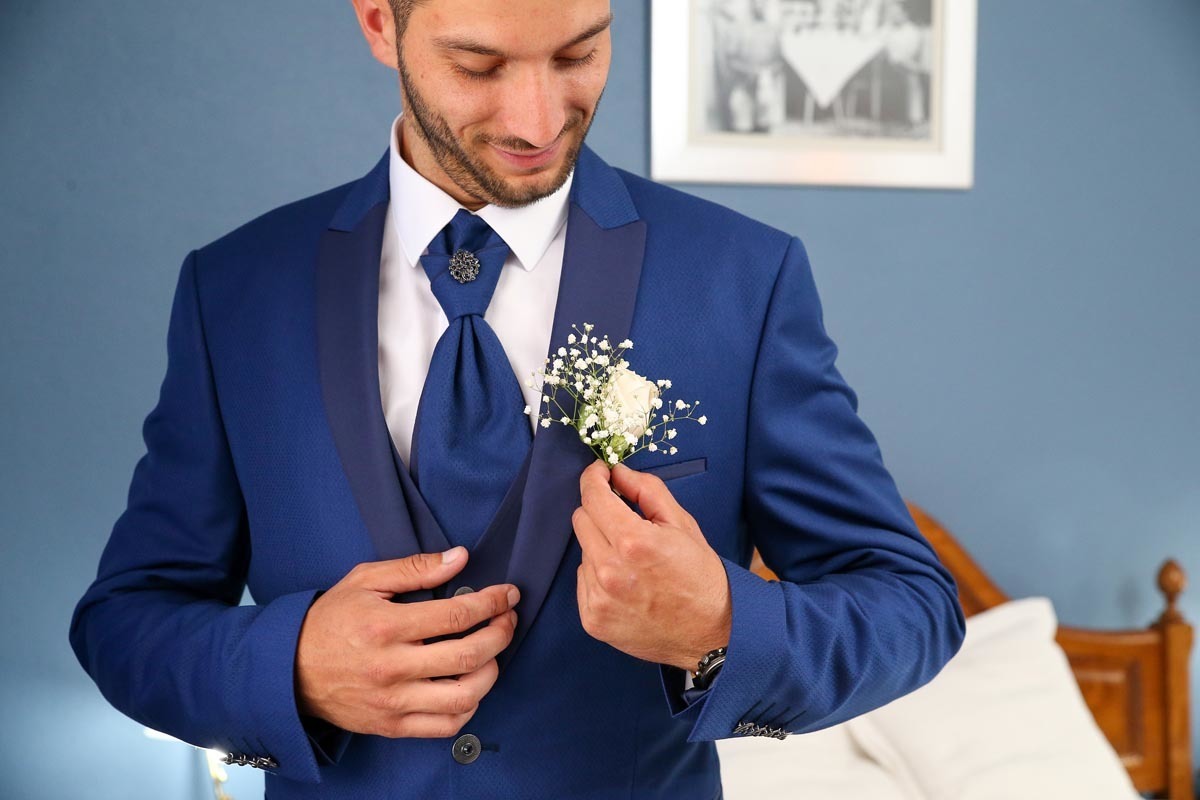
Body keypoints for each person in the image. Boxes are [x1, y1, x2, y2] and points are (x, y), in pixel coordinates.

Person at [69, 1, 964, 797]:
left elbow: (913, 604)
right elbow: (126, 620)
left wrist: (725, 626)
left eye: (578, 53)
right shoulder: (235, 289)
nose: (537, 119)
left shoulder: (744, 277)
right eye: (479, 64)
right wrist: (290, 665)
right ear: (380, 23)